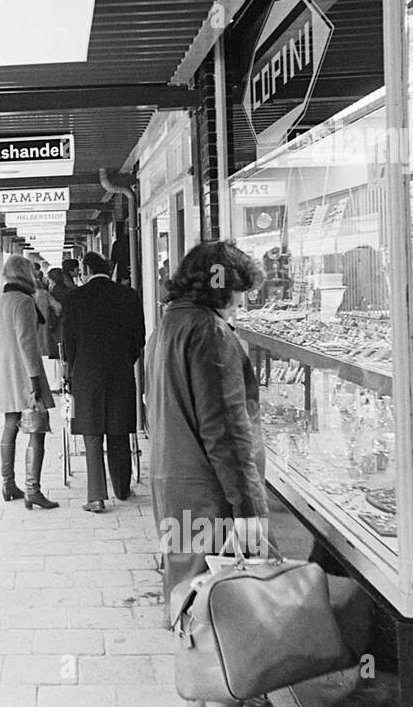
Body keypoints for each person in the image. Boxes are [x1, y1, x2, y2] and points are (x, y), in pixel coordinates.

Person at [147, 240, 268, 568]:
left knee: (187, 593)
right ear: (222, 287)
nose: (238, 302)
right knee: (222, 598)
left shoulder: (169, 325)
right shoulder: (210, 333)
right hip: (210, 495)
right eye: (237, 291)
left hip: (174, 484)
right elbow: (225, 427)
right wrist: (246, 506)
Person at [60, 252, 144, 513]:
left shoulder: (74, 298)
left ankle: (96, 496)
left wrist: (73, 371)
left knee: (92, 433)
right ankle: (122, 488)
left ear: (85, 269)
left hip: (86, 373)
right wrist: (123, 360)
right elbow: (138, 339)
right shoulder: (129, 296)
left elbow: (68, 342)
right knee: (119, 429)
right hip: (120, 372)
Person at [0, 254, 59, 510]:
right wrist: (34, 380)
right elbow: (27, 343)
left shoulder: (1, 301)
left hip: (7, 373)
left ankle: (8, 484)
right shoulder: (24, 301)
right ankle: (33, 490)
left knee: (10, 425)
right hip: (26, 374)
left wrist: (4, 368)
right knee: (37, 430)